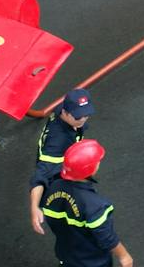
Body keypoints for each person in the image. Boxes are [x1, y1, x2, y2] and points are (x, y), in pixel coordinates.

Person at [38, 140, 134, 267]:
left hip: (66, 254)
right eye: (97, 162)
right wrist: (124, 256)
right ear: (89, 169)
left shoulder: (53, 186)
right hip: (92, 261)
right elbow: (106, 237)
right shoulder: (95, 206)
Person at [29, 89, 95, 236]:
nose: (83, 119)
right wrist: (34, 208)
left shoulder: (63, 112)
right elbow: (41, 176)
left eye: (86, 114)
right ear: (65, 113)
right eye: (78, 117)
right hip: (58, 179)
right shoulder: (57, 143)